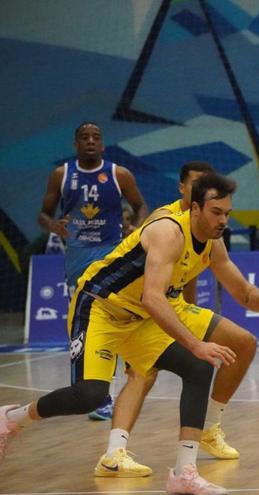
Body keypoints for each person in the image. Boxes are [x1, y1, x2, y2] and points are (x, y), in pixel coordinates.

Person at [1, 173, 259, 493]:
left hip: (138, 318)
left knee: (198, 368)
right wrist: (196, 343)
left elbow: (241, 291)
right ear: (195, 208)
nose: (223, 220)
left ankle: (183, 474)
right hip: (100, 307)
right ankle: (12, 418)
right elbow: (153, 298)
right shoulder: (168, 231)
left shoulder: (213, 243)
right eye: (216, 212)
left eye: (227, 213)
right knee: (90, 395)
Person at [92, 161, 255, 478]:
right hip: (143, 307)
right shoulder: (163, 221)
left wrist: (192, 316)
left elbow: (189, 270)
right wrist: (188, 336)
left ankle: (209, 428)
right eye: (194, 184)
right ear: (185, 191)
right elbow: (152, 288)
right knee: (142, 374)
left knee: (243, 343)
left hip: (174, 304)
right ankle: (114, 451)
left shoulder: (209, 228)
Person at [37, 122, 149, 421]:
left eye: (95, 137)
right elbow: (43, 214)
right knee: (84, 324)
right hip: (78, 258)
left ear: (102, 144)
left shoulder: (118, 174)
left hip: (111, 254)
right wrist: (54, 226)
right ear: (76, 144)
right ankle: (93, 388)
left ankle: (106, 391)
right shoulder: (62, 175)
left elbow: (140, 206)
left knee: (111, 319)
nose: (90, 141)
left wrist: (135, 229)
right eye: (84, 137)